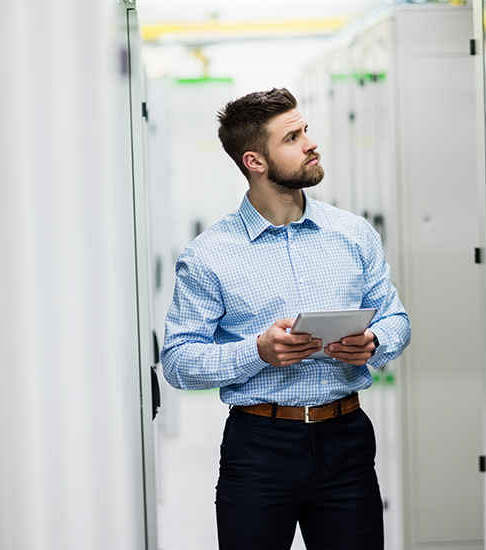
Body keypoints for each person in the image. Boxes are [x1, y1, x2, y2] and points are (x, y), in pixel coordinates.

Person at [161, 87, 410, 549]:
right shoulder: (208, 256)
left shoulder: (352, 233)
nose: (310, 143)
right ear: (255, 161)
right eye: (292, 137)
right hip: (259, 448)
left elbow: (396, 317)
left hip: (347, 440)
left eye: (305, 130)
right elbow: (178, 362)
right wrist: (257, 352)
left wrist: (374, 341)